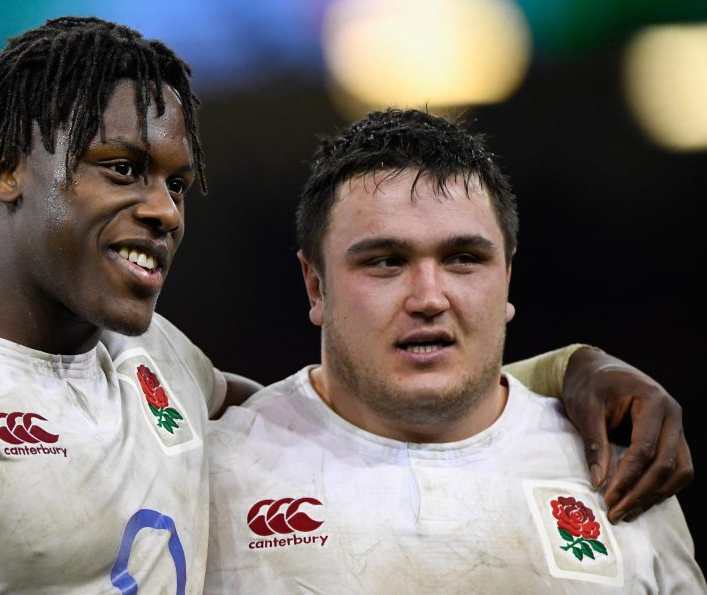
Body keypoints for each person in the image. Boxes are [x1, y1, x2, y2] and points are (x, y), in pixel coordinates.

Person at [0, 16, 692, 595]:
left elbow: (338, 402)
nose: (160, 208)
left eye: (175, 181)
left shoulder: (156, 361)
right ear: (0, 164)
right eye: (118, 169)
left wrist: (571, 371)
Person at [204, 108, 705, 593]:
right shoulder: (215, 475)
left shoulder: (623, 474)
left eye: (463, 259)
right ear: (316, 287)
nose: (428, 298)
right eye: (386, 262)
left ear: (507, 279)